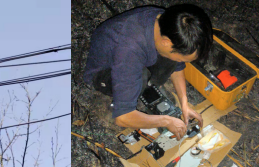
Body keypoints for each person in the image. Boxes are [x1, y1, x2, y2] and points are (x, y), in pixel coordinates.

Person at [83, 4, 213, 140]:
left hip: (131, 56)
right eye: (182, 58)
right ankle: (130, 94)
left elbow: (178, 64)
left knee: (170, 58)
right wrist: (166, 121)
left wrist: (184, 102)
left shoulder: (168, 23)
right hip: (104, 72)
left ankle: (146, 87)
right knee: (142, 78)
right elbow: (122, 118)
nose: (181, 61)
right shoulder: (129, 50)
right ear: (166, 43)